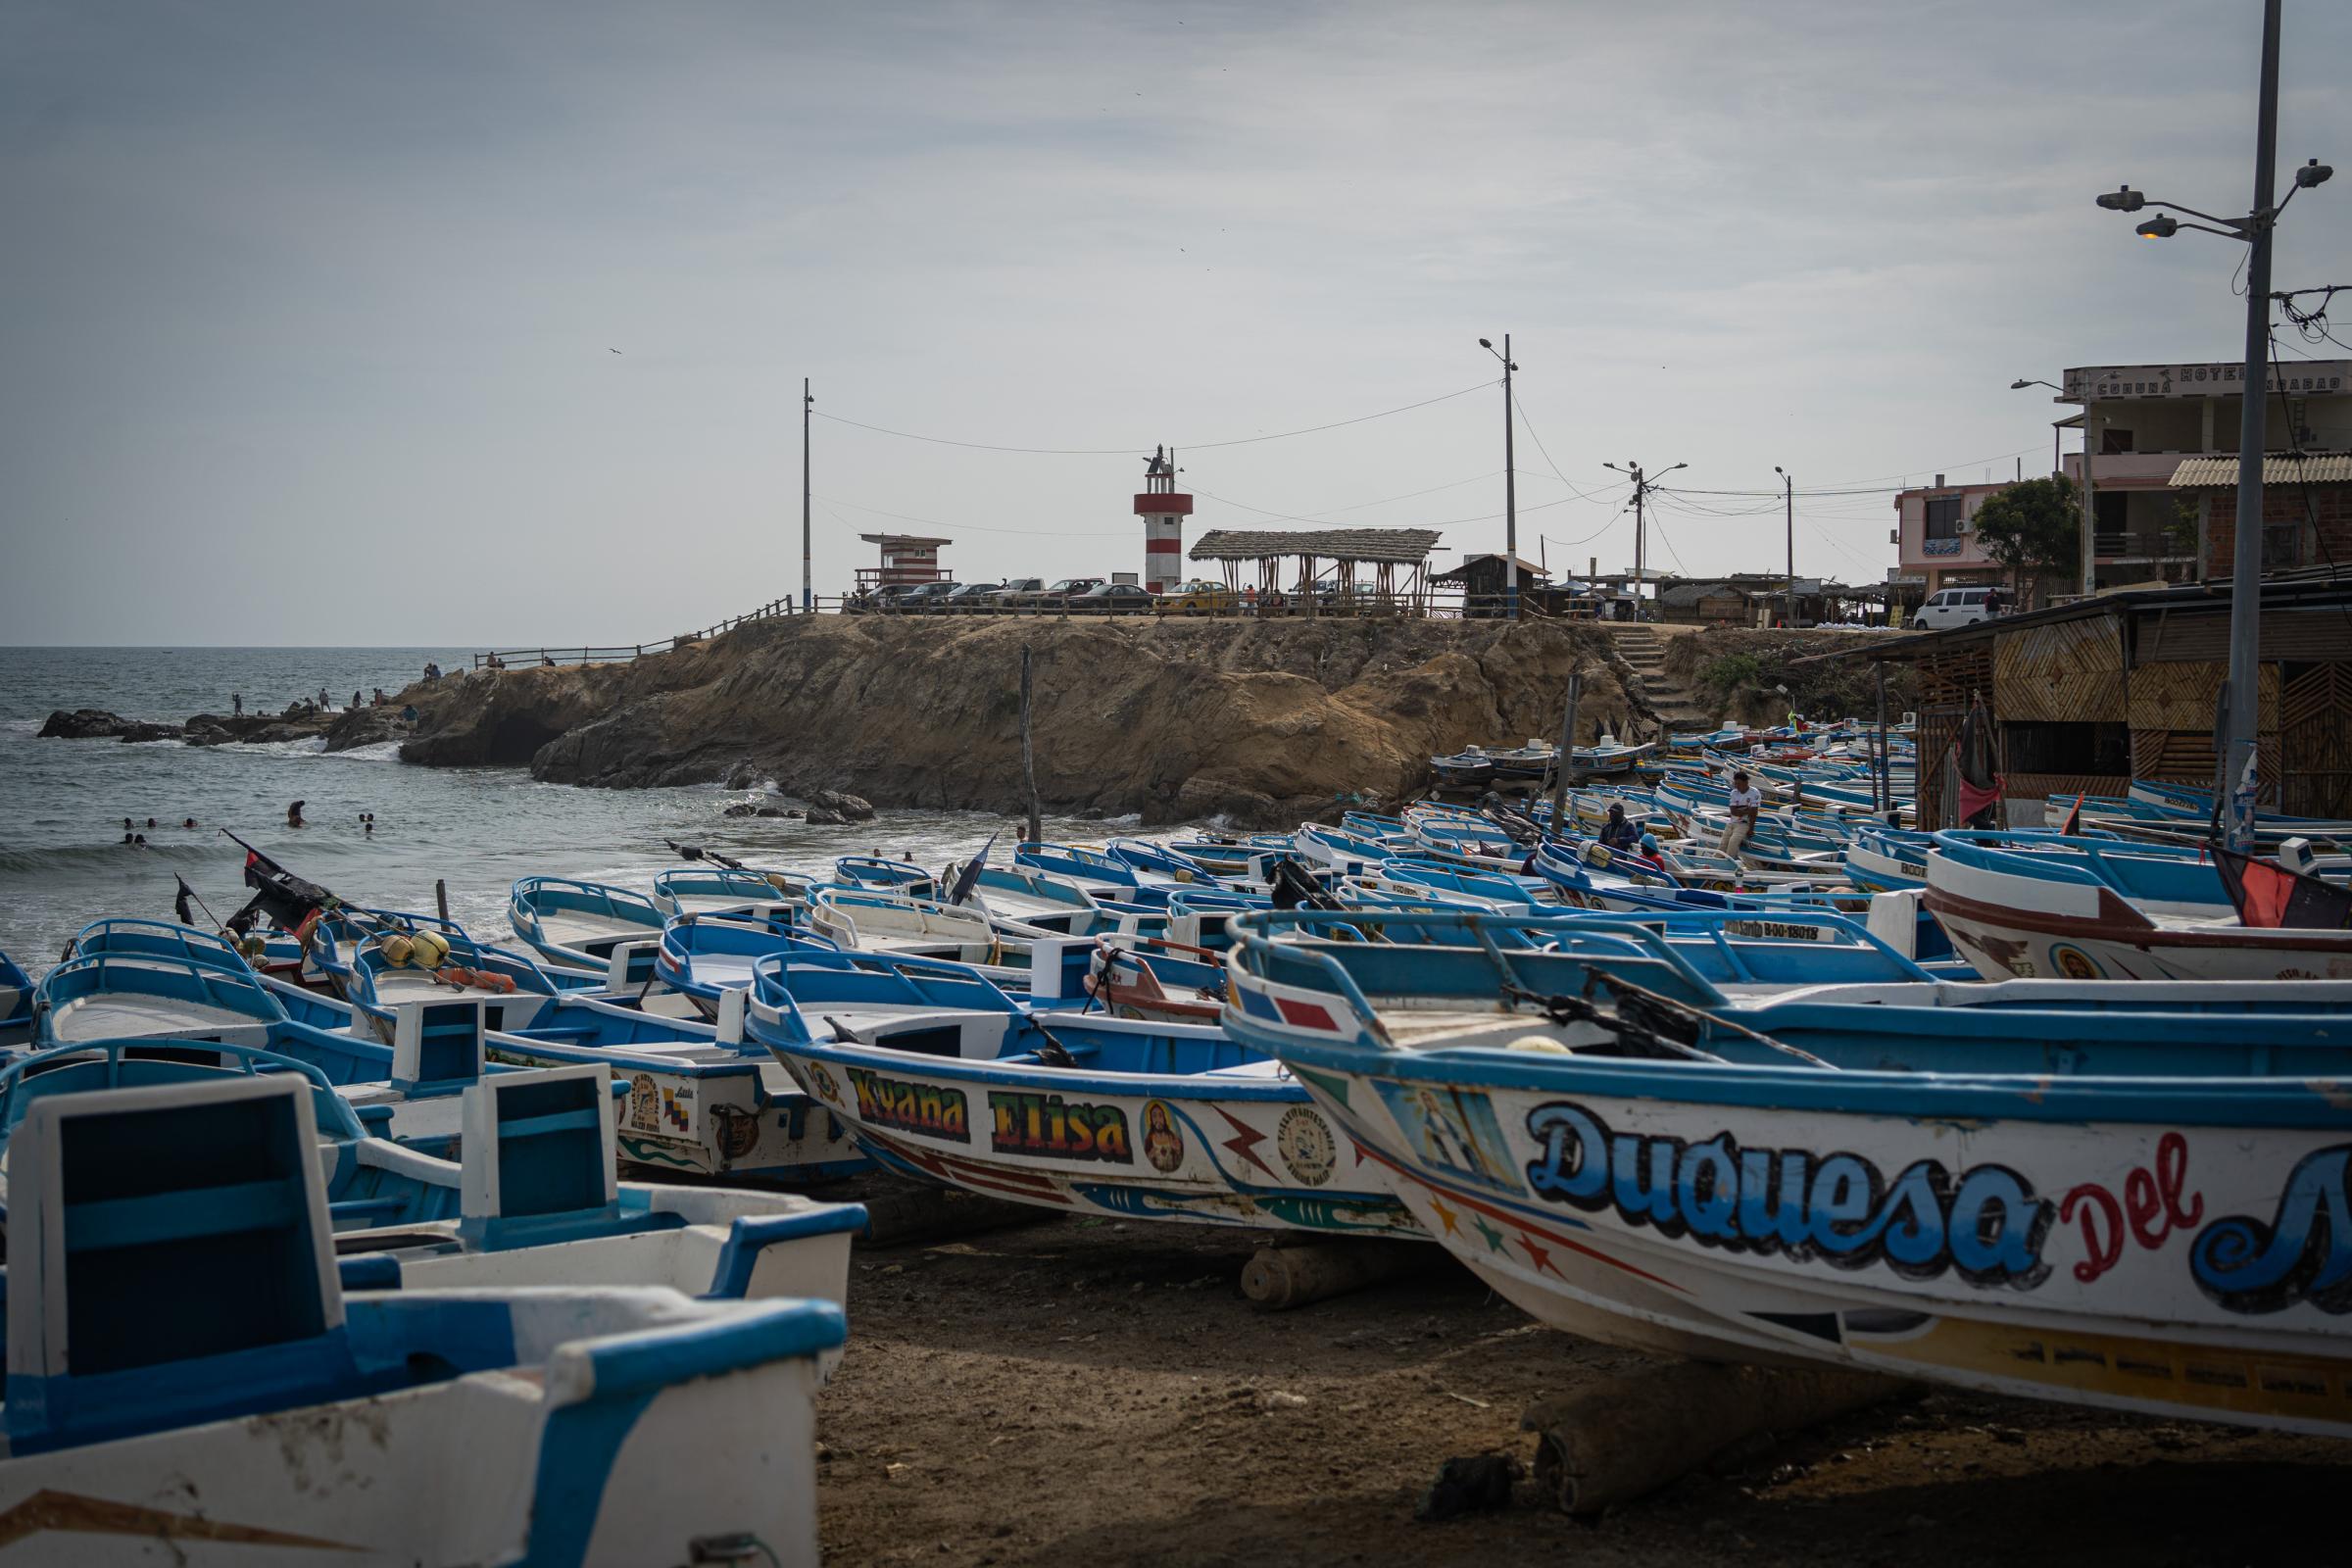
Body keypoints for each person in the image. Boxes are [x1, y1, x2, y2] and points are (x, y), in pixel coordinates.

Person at [1723, 769, 1764, 858]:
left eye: (1739, 784)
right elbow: (1733, 812)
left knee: (1733, 842)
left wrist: (1751, 829)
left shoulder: (1754, 793)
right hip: (1731, 822)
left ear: (1746, 782)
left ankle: (1730, 860)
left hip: (1743, 824)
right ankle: (1717, 860)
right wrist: (1747, 811)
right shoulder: (1734, 793)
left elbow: (1754, 813)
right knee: (1723, 844)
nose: (1737, 786)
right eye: (1735, 784)